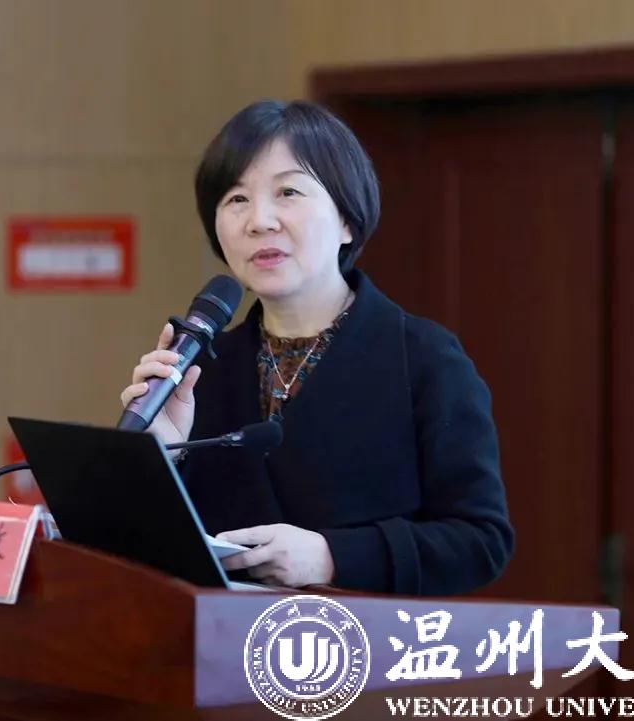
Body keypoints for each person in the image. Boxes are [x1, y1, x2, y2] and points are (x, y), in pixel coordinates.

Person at [119, 100, 514, 595]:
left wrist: (331, 557)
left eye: (287, 192)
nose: (259, 221)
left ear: (347, 219)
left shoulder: (424, 359)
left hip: (365, 639)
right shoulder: (201, 371)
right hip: (224, 640)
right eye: (236, 199)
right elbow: (146, 553)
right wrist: (160, 453)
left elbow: (480, 541)